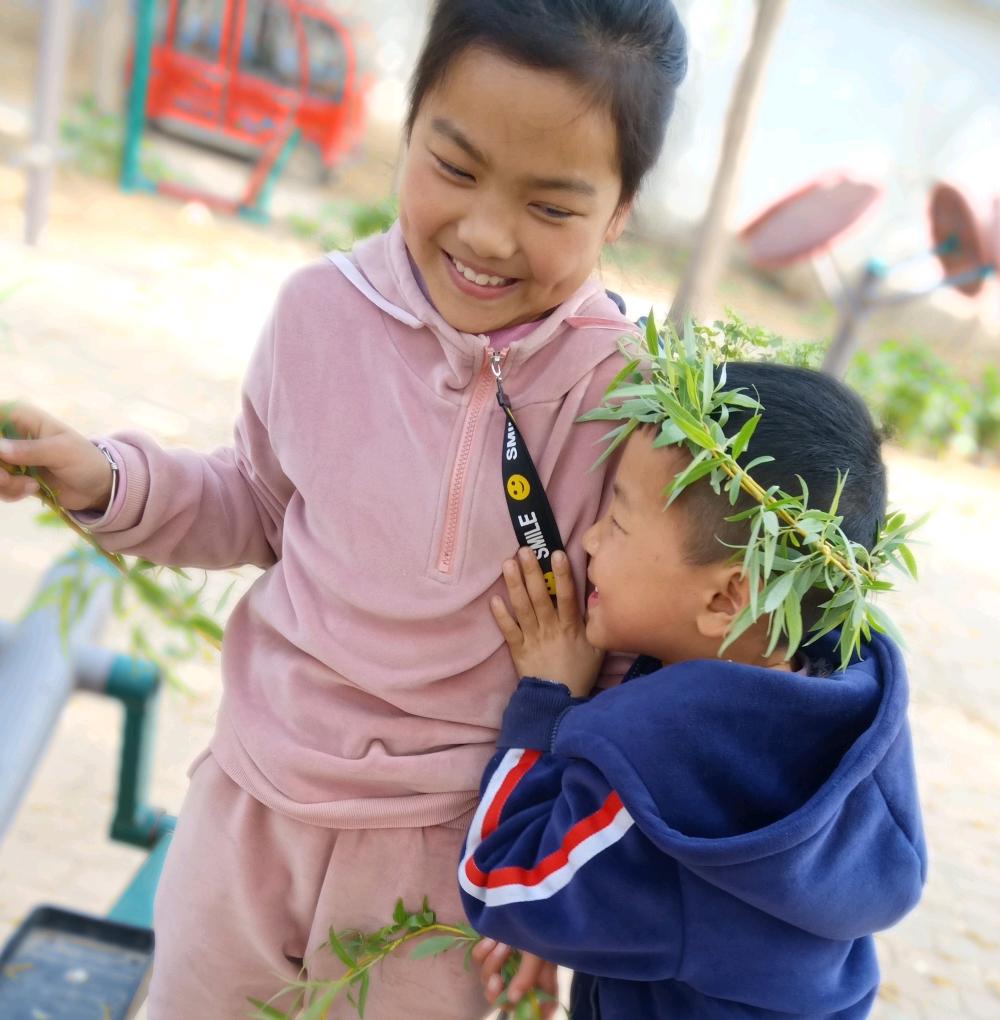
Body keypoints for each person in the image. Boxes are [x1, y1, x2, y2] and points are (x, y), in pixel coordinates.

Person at [0, 1, 689, 1016]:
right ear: (406, 128)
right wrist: (108, 480)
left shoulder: (629, 398)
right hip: (252, 808)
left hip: (451, 861)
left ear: (620, 212)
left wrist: (547, 877)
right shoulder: (318, 314)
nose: (488, 234)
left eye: (552, 208)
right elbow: (253, 503)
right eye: (452, 168)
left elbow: (631, 656)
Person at [461, 362, 927, 1019]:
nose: (590, 540)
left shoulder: (660, 770)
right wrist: (581, 922)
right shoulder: (853, 707)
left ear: (727, 595)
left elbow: (498, 879)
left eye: (617, 522)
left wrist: (547, 695)